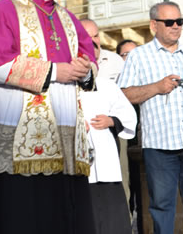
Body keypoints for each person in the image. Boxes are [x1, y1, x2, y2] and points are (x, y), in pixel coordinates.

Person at [0, 0, 98, 234]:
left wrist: (85, 70)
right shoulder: (3, 10)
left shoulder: (68, 17)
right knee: (24, 215)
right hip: (21, 133)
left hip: (65, 132)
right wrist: (56, 71)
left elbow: (90, 58)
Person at [118, 1, 183, 234]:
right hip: (160, 144)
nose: (175, 26)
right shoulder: (138, 57)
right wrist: (157, 87)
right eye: (169, 22)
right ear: (154, 25)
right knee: (162, 206)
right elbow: (123, 94)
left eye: (179, 21)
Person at [81, 40, 136, 234]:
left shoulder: (106, 86)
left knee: (112, 219)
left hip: (105, 162)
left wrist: (111, 121)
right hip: (78, 167)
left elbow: (129, 117)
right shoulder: (62, 89)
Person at [116, 38, 143, 234]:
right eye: (126, 54)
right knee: (126, 184)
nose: (130, 59)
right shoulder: (113, 82)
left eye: (135, 54)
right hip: (122, 138)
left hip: (143, 137)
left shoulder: (146, 79)